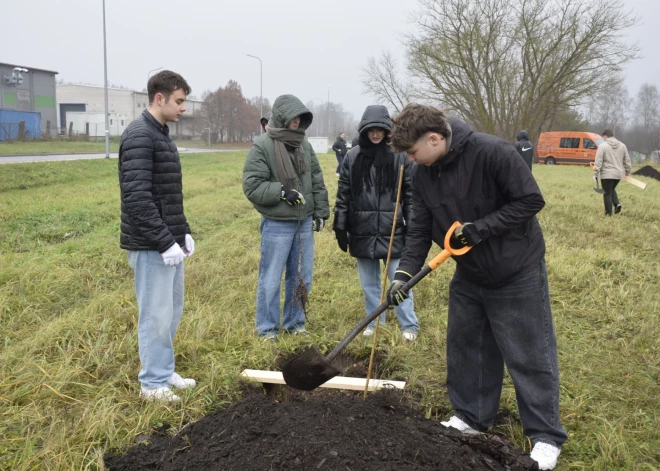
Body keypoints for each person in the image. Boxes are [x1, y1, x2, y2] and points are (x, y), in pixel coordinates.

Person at [385, 104, 567, 470]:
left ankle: (546, 436)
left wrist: (479, 228)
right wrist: (403, 274)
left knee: (528, 353)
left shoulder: (493, 152)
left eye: (413, 150)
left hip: (516, 268)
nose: (410, 158)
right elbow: (419, 229)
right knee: (467, 347)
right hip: (469, 273)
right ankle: (471, 417)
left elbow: (531, 200)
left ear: (434, 138)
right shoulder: (421, 173)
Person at [118, 70, 197, 402]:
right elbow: (138, 198)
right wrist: (164, 241)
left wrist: (183, 232)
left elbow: (167, 194)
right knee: (155, 313)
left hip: (168, 242)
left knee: (172, 310)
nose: (184, 108)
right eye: (179, 101)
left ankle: (163, 371)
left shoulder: (161, 134)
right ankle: (151, 384)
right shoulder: (140, 135)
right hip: (151, 246)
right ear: (159, 98)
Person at [243, 94, 329, 341]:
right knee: (270, 278)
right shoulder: (263, 145)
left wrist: (321, 211)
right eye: (293, 116)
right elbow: (252, 185)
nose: (297, 120)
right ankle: (267, 329)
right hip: (277, 224)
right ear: (282, 117)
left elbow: (316, 180)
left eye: (300, 116)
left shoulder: (305, 145)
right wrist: (281, 192)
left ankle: (295, 324)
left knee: (302, 277)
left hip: (303, 223)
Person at [334, 105, 419, 340]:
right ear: (364, 130)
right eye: (370, 130)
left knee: (400, 281)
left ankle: (409, 325)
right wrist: (340, 225)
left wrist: (412, 225)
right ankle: (374, 322)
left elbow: (411, 195)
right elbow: (344, 194)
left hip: (393, 229)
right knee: (369, 284)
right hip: (362, 228)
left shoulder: (400, 156)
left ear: (387, 130)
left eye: (379, 130)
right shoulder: (353, 156)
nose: (375, 135)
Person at [593, 129, 631, 216]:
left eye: (603, 138)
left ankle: (608, 214)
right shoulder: (622, 146)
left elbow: (598, 161)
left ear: (605, 136)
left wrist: (595, 173)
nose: (603, 140)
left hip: (607, 174)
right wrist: (627, 171)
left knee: (607, 193)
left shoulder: (603, 146)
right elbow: (627, 160)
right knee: (611, 189)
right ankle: (617, 204)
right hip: (618, 174)